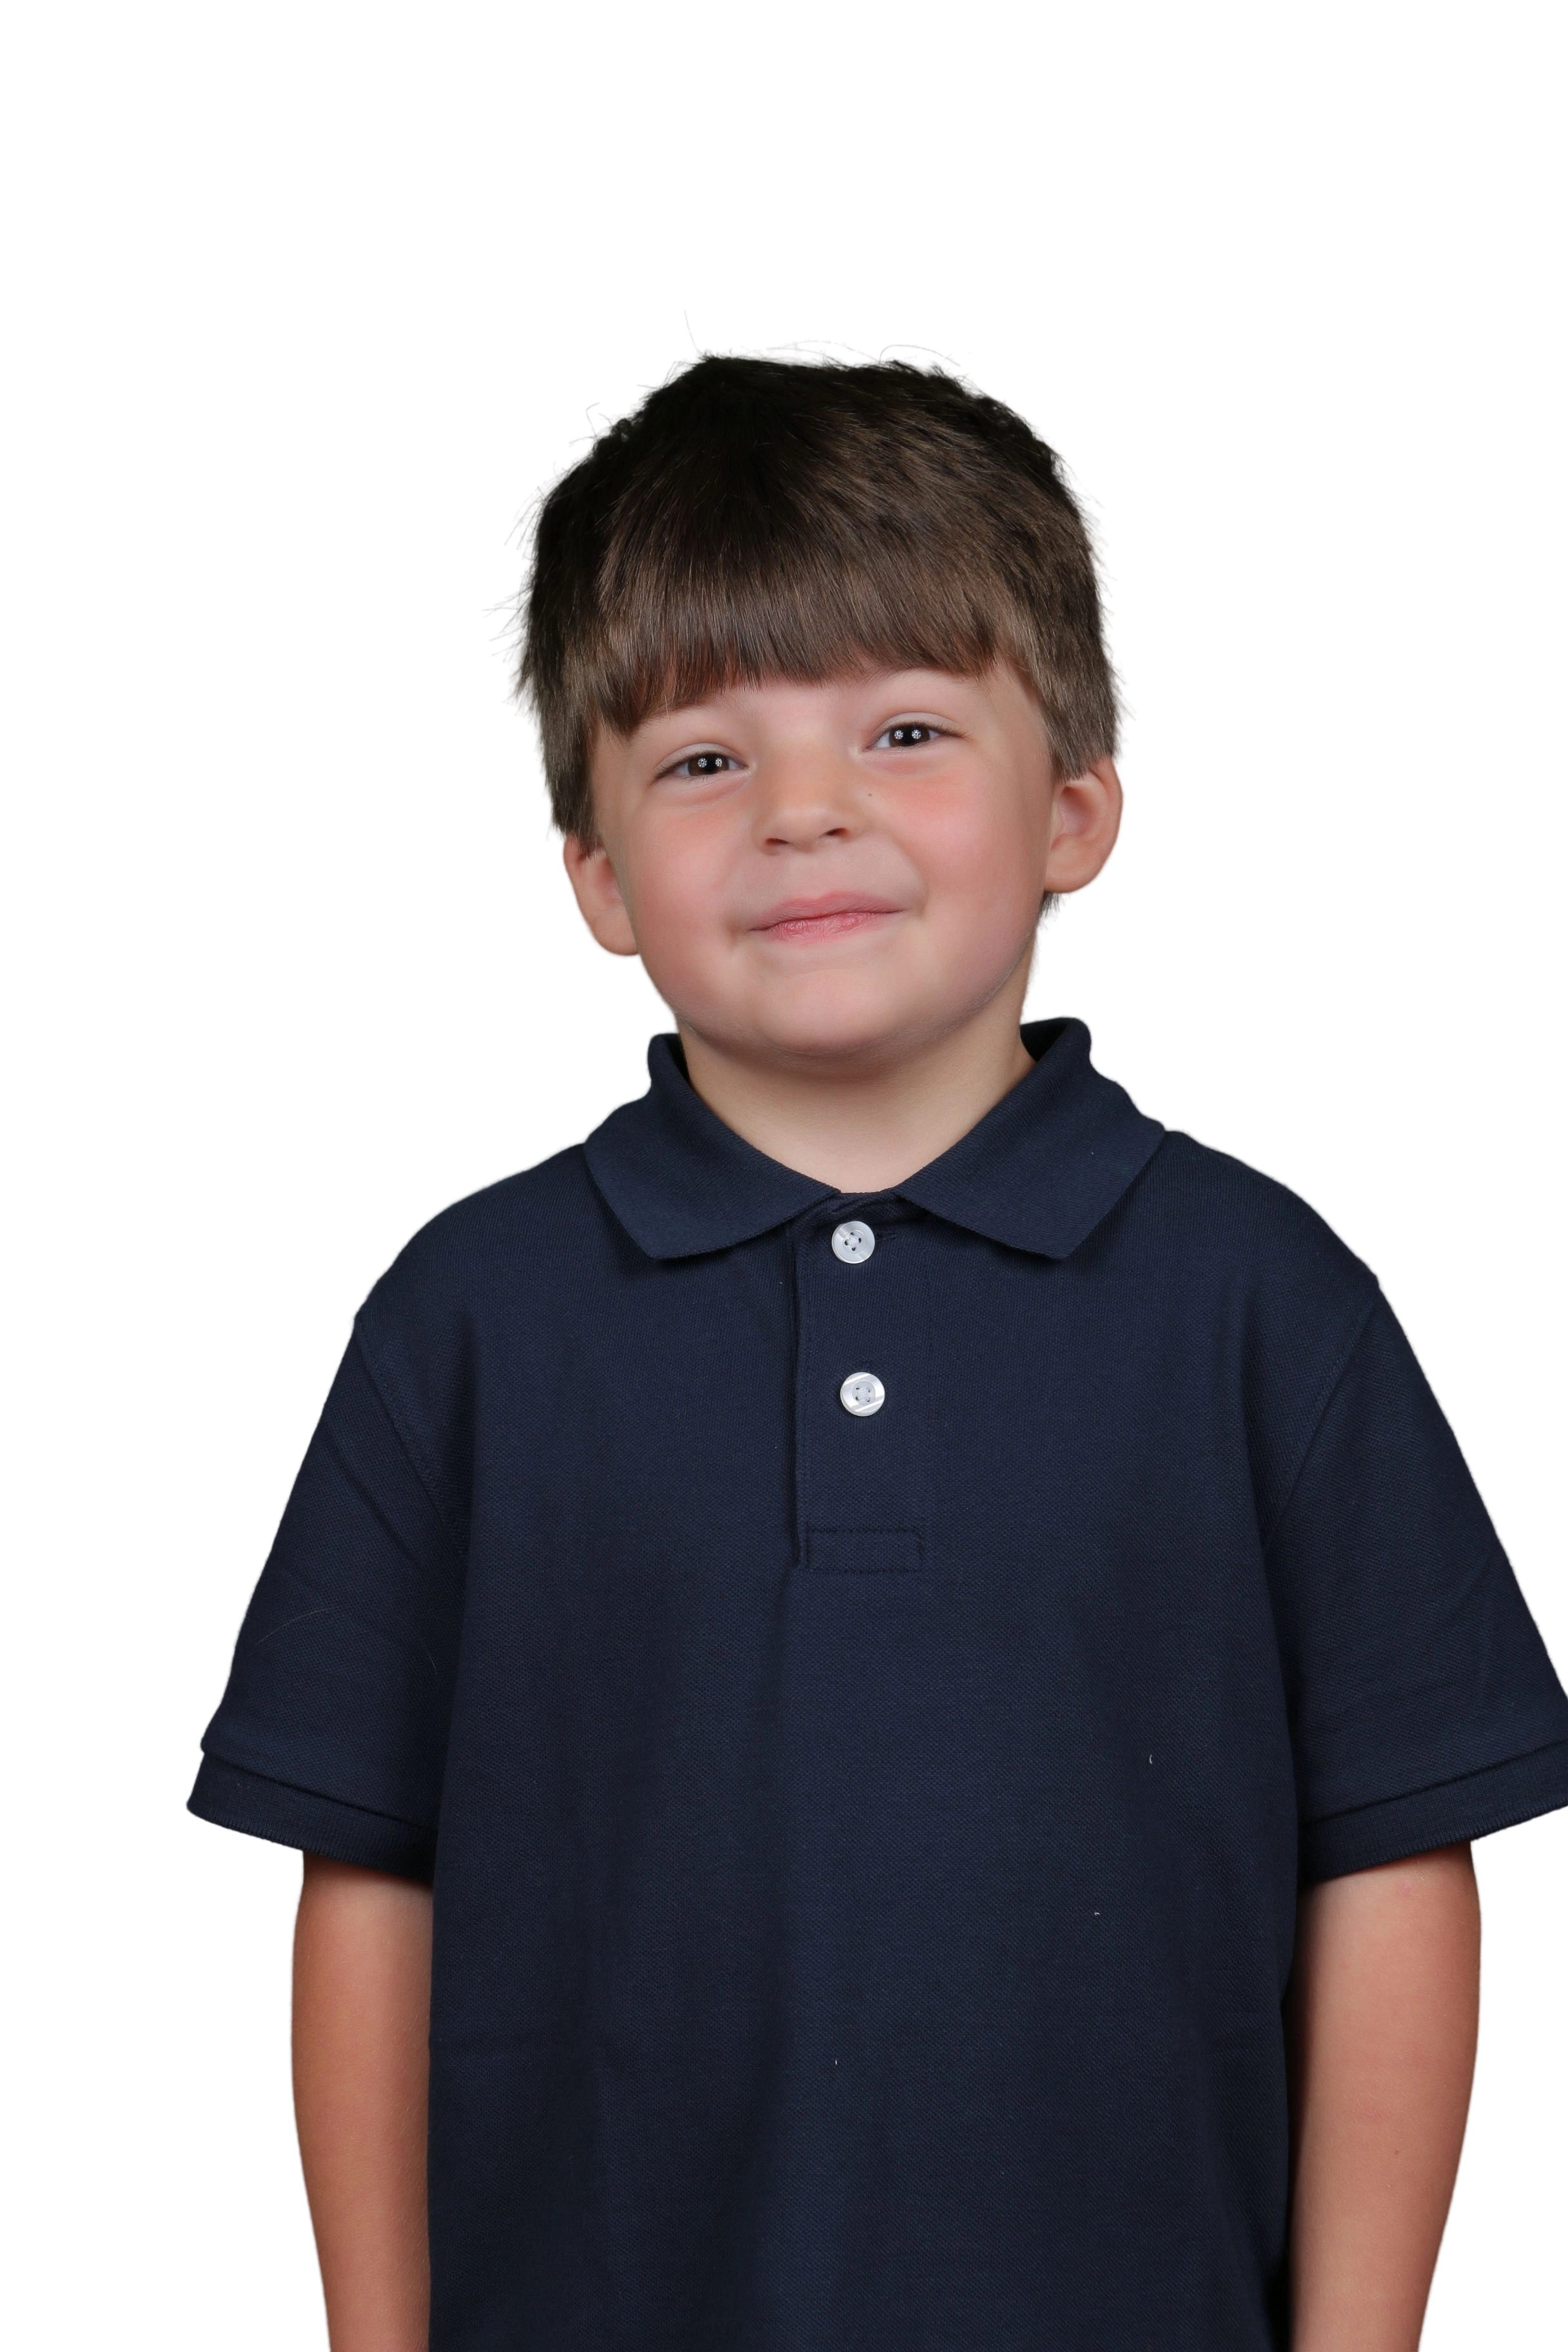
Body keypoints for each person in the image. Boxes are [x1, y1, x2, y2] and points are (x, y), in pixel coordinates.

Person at [182, 337, 1568, 2352]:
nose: (805, 814)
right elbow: (366, 1889)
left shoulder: (1268, 1299)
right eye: (703, 760)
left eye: (906, 730)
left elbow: (1396, 1866)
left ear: (1077, 806)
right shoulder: (464, 1318)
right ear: (595, 873)